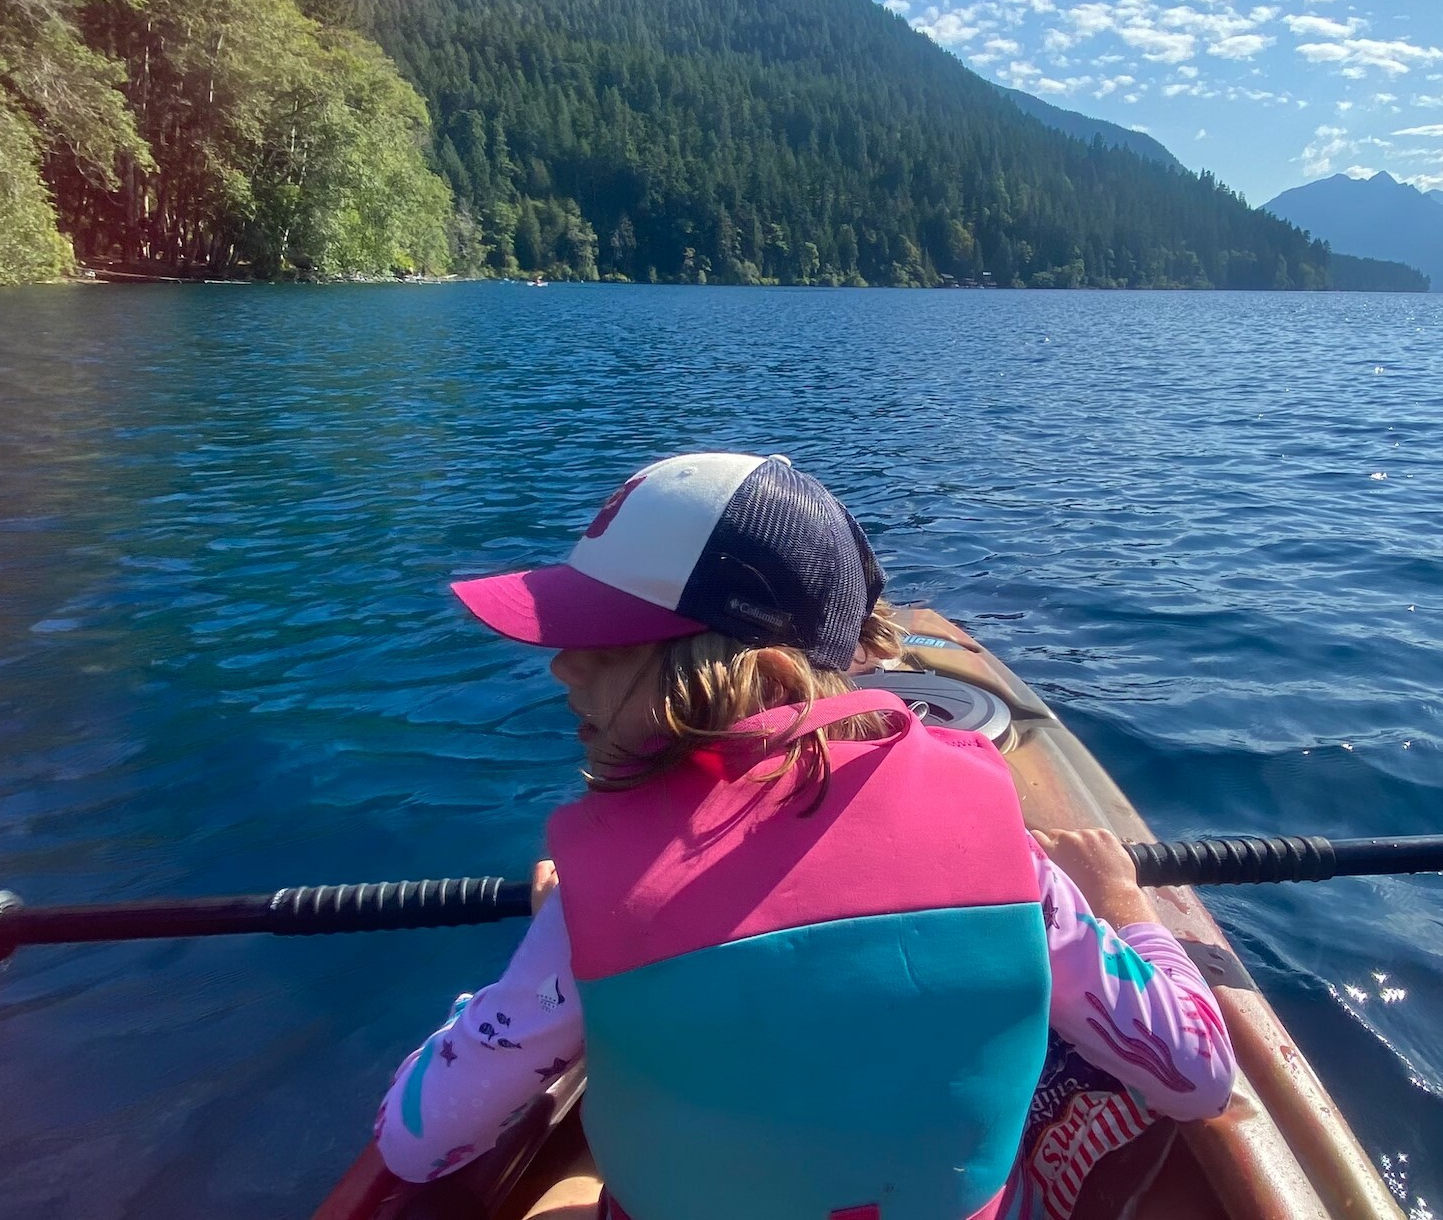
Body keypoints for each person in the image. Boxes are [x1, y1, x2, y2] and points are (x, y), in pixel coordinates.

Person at [374, 452, 1234, 1218]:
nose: (562, 665)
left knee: (565, 1187)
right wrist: (1127, 908)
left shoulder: (590, 911)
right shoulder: (1005, 847)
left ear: (763, 671)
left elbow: (415, 1140)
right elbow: (1197, 1075)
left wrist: (555, 949)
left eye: (607, 641)